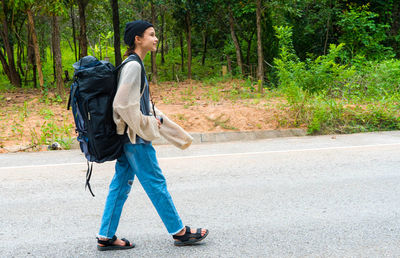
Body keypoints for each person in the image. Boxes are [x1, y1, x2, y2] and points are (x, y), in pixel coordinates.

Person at [96, 20, 209, 251]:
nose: (155, 38)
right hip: (135, 139)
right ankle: (179, 232)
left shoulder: (133, 63)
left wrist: (169, 128)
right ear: (138, 39)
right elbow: (123, 105)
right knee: (156, 183)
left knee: (119, 186)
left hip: (129, 138)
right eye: (151, 34)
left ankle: (105, 236)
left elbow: (139, 104)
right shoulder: (134, 66)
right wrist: (148, 124)